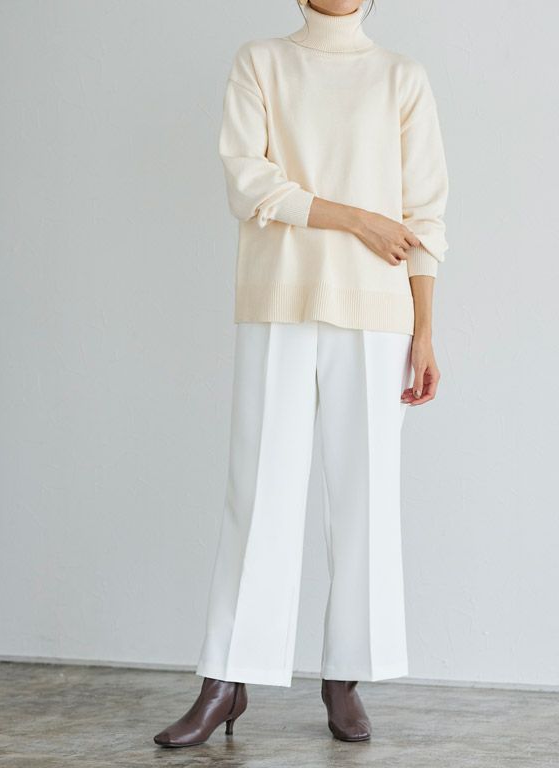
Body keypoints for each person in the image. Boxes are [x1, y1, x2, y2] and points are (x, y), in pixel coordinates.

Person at [154, 0, 448, 747]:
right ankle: (227, 679)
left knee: (366, 496)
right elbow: (247, 182)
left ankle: (344, 675)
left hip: (378, 312)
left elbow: (425, 214)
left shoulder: (401, 77)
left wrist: (425, 330)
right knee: (258, 492)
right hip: (278, 298)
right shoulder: (261, 61)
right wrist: (356, 217)